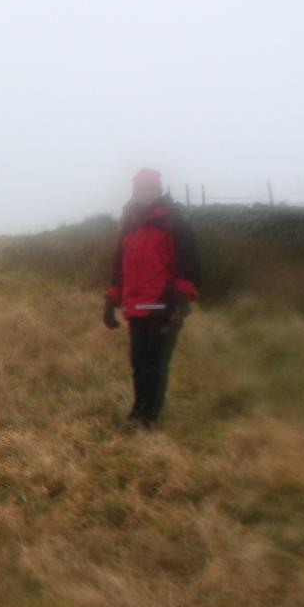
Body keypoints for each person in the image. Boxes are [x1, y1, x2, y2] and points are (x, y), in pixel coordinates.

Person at [103, 168, 201, 429]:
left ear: (158, 191)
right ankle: (138, 408)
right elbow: (119, 266)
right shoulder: (130, 223)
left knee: (156, 363)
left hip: (164, 307)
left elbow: (188, 262)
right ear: (135, 192)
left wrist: (182, 301)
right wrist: (112, 300)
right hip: (136, 307)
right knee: (139, 361)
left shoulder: (173, 221)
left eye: (151, 189)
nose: (147, 194)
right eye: (142, 189)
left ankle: (150, 415)